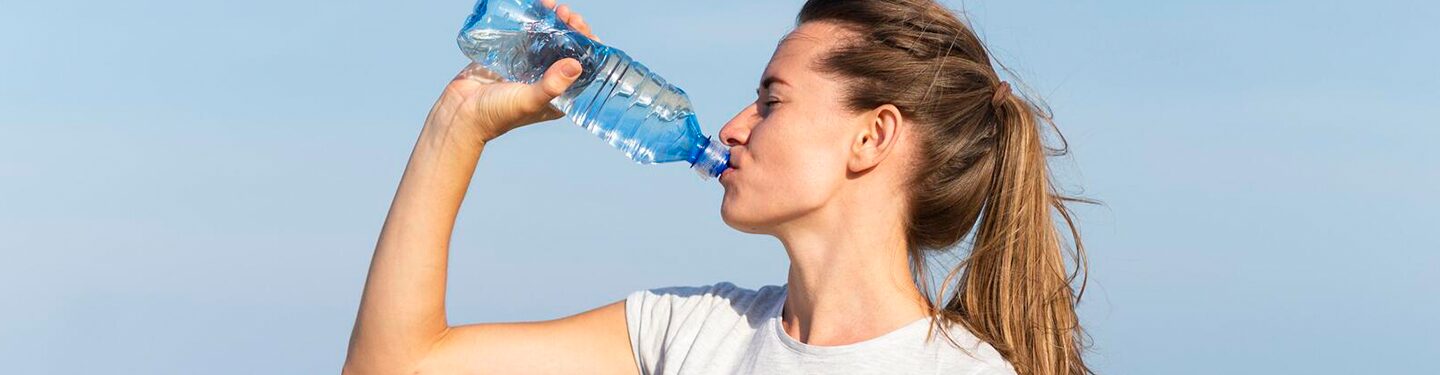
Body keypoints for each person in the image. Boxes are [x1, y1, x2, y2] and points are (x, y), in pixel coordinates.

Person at [343, 0, 1094, 374]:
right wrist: (457, 127)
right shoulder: (691, 330)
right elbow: (400, 365)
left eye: (771, 100)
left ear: (872, 137)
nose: (734, 127)